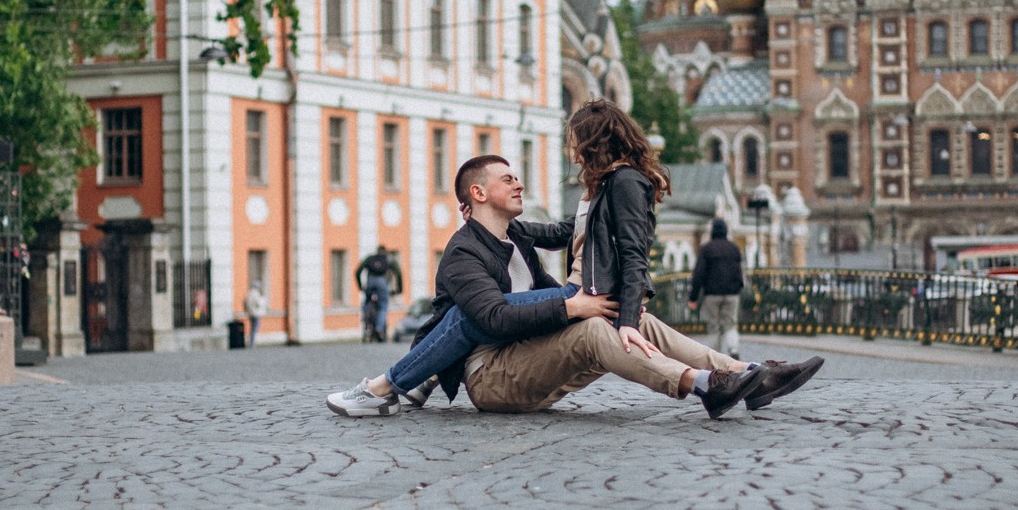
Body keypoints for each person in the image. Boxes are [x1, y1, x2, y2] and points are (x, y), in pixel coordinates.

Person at [329, 103, 822, 419]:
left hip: (527, 360)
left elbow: (577, 233)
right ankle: (702, 385)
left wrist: (621, 305)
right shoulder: (462, 254)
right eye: (508, 179)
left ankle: (747, 374)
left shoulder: (517, 239)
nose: (520, 183)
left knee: (623, 319)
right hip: (492, 377)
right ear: (478, 194)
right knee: (576, 321)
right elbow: (494, 318)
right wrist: (574, 306)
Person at [688, 219, 745, 358]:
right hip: (732, 293)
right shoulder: (734, 248)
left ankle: (715, 357)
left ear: (712, 231)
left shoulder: (706, 249)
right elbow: (739, 271)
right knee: (730, 324)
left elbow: (698, 274)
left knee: (713, 326)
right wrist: (739, 287)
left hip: (711, 294)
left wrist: (693, 298)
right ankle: (733, 349)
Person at [354, 245, 401, 342]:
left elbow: (358, 271)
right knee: (382, 306)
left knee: (366, 302)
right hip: (382, 282)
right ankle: (379, 328)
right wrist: (399, 289)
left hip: (370, 282)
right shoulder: (389, 259)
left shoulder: (370, 258)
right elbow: (398, 273)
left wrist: (360, 286)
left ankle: (365, 321)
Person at [244, 282, 267, 348]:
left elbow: (245, 303)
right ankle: (252, 343)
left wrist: (247, 310)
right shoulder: (256, 294)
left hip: (250, 313)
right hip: (256, 313)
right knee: (255, 329)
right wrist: (263, 300)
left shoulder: (249, 294)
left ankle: (251, 342)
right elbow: (259, 304)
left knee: (252, 328)